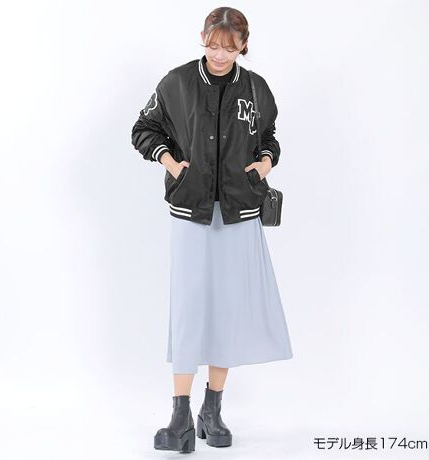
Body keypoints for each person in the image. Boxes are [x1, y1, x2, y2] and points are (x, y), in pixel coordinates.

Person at [131, 6, 293, 453]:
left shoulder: (256, 88)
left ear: (243, 46)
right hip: (190, 209)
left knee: (227, 310)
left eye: (229, 47)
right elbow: (143, 128)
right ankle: (179, 416)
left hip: (240, 212)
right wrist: (171, 163)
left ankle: (213, 410)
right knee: (188, 308)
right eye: (213, 45)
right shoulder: (177, 83)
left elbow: (269, 136)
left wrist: (265, 163)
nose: (219, 55)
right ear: (201, 38)